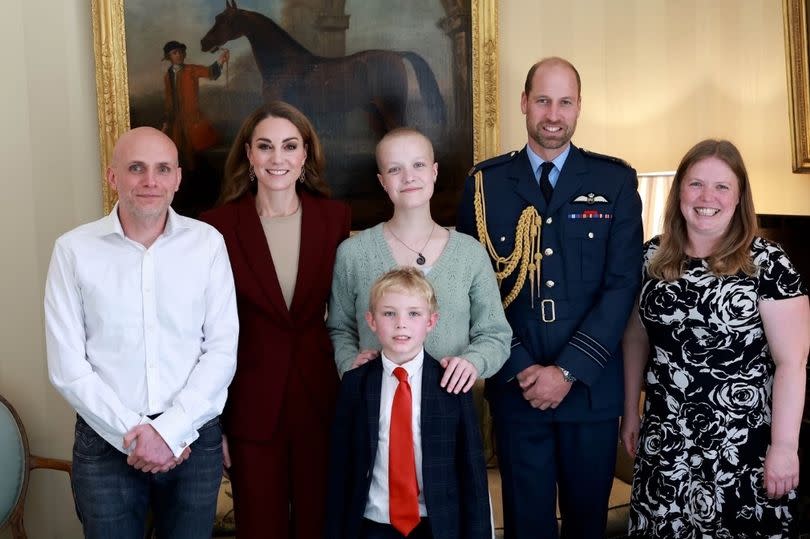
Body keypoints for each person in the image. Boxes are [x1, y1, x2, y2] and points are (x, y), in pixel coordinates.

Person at [456, 57, 643, 538]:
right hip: (516, 389)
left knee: (587, 524)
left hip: (590, 389)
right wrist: (520, 367)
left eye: (565, 101)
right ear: (524, 103)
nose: (553, 113)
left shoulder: (614, 182)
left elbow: (622, 285)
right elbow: (474, 287)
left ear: (579, 107)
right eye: (542, 100)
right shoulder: (484, 185)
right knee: (527, 524)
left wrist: (566, 371)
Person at [44, 126, 238, 539]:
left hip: (193, 439)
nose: (150, 181)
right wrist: (136, 437)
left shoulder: (208, 245)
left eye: (162, 169)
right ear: (113, 177)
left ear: (177, 179)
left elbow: (222, 351)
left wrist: (169, 432)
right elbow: (67, 367)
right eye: (136, 168)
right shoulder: (73, 250)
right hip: (104, 442)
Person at [620, 139, 810, 538]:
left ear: (740, 197)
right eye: (695, 184)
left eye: (722, 187)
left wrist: (785, 447)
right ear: (679, 192)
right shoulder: (650, 257)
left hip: (742, 445)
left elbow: (791, 363)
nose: (707, 197)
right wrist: (631, 412)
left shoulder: (769, 263)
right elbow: (636, 338)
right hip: (665, 441)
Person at [200, 101, 351, 538]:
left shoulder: (333, 218)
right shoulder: (216, 228)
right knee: (259, 528)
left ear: (306, 154)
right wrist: (215, 424)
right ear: (249, 154)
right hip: (248, 405)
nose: (277, 158)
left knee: (320, 525)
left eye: (289, 146)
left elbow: (344, 311)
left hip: (320, 399)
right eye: (265, 147)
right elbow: (204, 332)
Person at [327, 127, 511, 394]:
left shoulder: (470, 253)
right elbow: (339, 328)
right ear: (382, 181)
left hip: (450, 405)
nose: (409, 177)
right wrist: (348, 363)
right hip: (375, 402)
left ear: (434, 172)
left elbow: (495, 334)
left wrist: (473, 362)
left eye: (418, 165)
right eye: (394, 169)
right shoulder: (353, 253)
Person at [326, 267, 492, 539]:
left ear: (431, 321)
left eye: (413, 313)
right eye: (389, 313)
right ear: (371, 321)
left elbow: (472, 475)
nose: (401, 323)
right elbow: (340, 469)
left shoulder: (451, 384)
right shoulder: (355, 384)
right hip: (372, 524)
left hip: (436, 525)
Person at [161, 40, 229, 171]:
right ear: (169, 57)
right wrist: (166, 122)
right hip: (176, 121)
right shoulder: (167, 76)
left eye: (181, 52)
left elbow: (210, 72)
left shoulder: (191, 70)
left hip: (193, 119)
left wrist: (221, 60)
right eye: (175, 53)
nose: (179, 55)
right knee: (176, 153)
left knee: (197, 151)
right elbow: (169, 100)